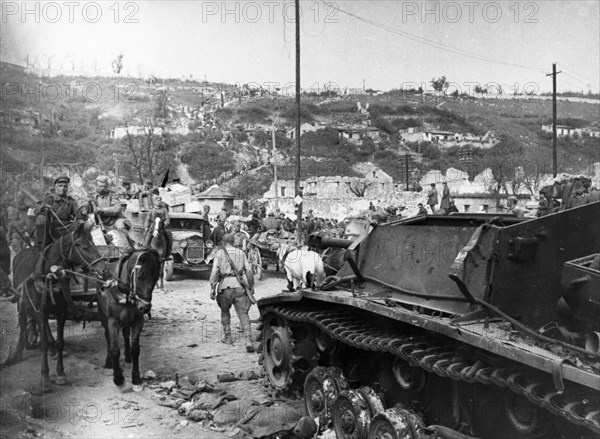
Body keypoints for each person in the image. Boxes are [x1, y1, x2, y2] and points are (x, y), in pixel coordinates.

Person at [209, 233, 259, 352]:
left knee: (225, 311)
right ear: (233, 242)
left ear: (223, 242)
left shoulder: (219, 253)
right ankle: (248, 340)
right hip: (239, 286)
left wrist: (212, 287)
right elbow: (249, 271)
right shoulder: (241, 253)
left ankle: (228, 337)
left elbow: (214, 271)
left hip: (225, 287)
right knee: (243, 314)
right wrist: (251, 286)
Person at [34, 176, 84, 247]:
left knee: (81, 223)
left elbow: (78, 213)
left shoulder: (71, 201)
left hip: (65, 227)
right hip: (51, 228)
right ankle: (43, 244)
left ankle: (82, 245)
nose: (63, 188)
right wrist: (43, 209)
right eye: (60, 186)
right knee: (41, 218)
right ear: (55, 187)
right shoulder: (49, 199)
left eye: (65, 186)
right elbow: (36, 210)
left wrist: (83, 212)